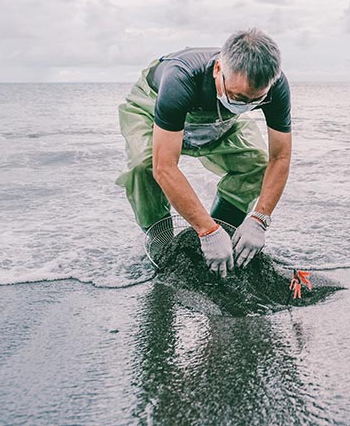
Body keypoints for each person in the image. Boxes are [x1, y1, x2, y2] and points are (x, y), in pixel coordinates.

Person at [115, 28, 292, 278]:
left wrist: (260, 219)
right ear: (218, 69)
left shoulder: (275, 86)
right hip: (152, 107)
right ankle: (162, 241)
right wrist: (206, 232)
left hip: (221, 120)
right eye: (237, 96)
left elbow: (280, 157)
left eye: (254, 101)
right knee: (144, 166)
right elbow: (164, 167)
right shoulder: (180, 77)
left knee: (257, 163)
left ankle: (222, 230)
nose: (243, 105)